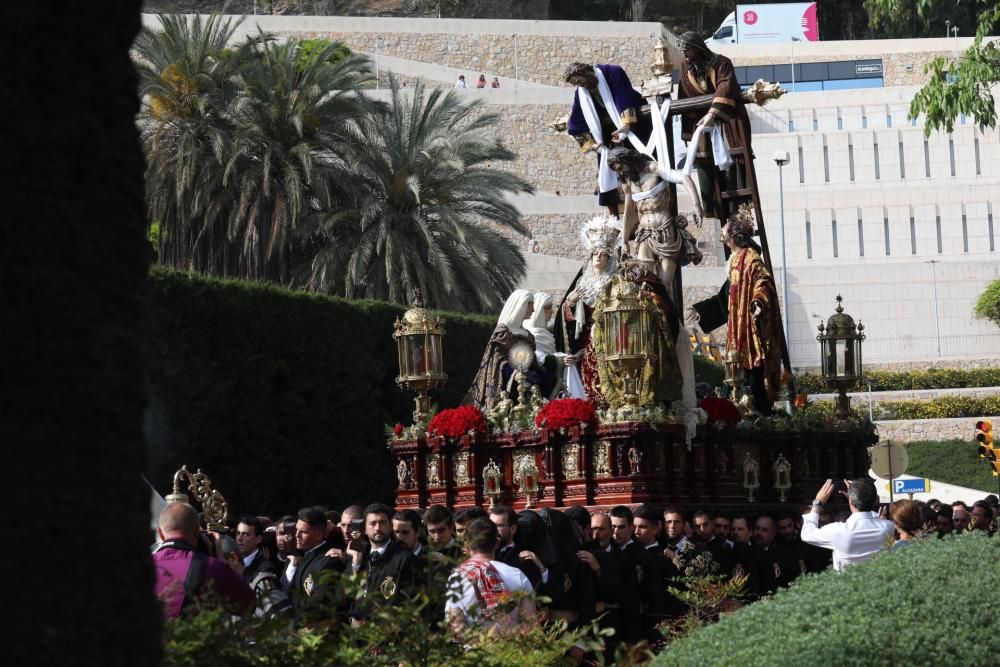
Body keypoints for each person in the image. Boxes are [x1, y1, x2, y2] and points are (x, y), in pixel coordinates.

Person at [687, 204, 783, 414]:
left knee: (751, 371)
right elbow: (725, 297)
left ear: (735, 233)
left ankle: (757, 410)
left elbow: (762, 281)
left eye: (726, 225)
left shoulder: (750, 258)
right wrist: (702, 310)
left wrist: (758, 301)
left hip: (748, 328)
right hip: (735, 328)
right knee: (734, 371)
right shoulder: (734, 261)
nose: (722, 227)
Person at [676, 31, 751, 220]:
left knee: (733, 166)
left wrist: (713, 113)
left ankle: (738, 211)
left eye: (688, 50)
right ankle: (714, 210)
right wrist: (688, 133)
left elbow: (726, 86)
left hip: (727, 122)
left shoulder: (722, 62)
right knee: (705, 166)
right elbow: (684, 96)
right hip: (703, 126)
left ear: (698, 47)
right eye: (683, 51)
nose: (685, 55)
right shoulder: (685, 67)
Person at [564, 62, 653, 215]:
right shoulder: (581, 92)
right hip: (608, 140)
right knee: (615, 177)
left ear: (586, 72)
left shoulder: (612, 72)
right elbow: (575, 124)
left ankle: (646, 207)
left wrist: (626, 125)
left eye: (579, 81)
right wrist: (592, 144)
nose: (579, 85)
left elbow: (625, 96)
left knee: (640, 171)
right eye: (576, 84)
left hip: (634, 131)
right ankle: (619, 217)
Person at [552, 215, 619, 404]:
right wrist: (570, 304)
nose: (598, 256)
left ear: (609, 259)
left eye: (603, 254)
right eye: (595, 253)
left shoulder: (615, 282)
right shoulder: (581, 282)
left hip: (609, 336)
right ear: (590, 257)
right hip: (585, 341)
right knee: (587, 375)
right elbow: (564, 317)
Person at [152, 502, 254, 619]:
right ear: (197, 531)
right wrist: (220, 559)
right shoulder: (210, 566)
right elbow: (248, 605)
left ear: (160, 533)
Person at [445, 518, 535, 634]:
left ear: (466, 544)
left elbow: (455, 624)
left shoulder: (458, 577)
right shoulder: (517, 574)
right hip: (513, 649)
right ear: (497, 543)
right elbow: (530, 625)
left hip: (474, 650)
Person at [464, 290, 550, 412]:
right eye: (530, 304)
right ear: (520, 306)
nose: (533, 310)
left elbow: (533, 363)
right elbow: (496, 362)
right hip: (507, 382)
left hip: (529, 378)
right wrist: (515, 373)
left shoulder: (528, 335)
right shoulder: (503, 333)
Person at [801, 479, 895, 570]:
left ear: (850, 502)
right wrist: (855, 498)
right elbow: (871, 517)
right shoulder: (888, 527)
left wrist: (817, 503)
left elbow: (807, 534)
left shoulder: (838, 531)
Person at [285, 506, 345, 617]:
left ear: (318, 535)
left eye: (303, 532)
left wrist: (290, 608)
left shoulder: (329, 561)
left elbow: (318, 603)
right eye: (296, 530)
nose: (296, 535)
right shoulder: (299, 558)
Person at [219, 533, 292, 618]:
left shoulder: (262, 586)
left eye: (214, 565)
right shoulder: (220, 596)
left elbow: (287, 624)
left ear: (233, 558)